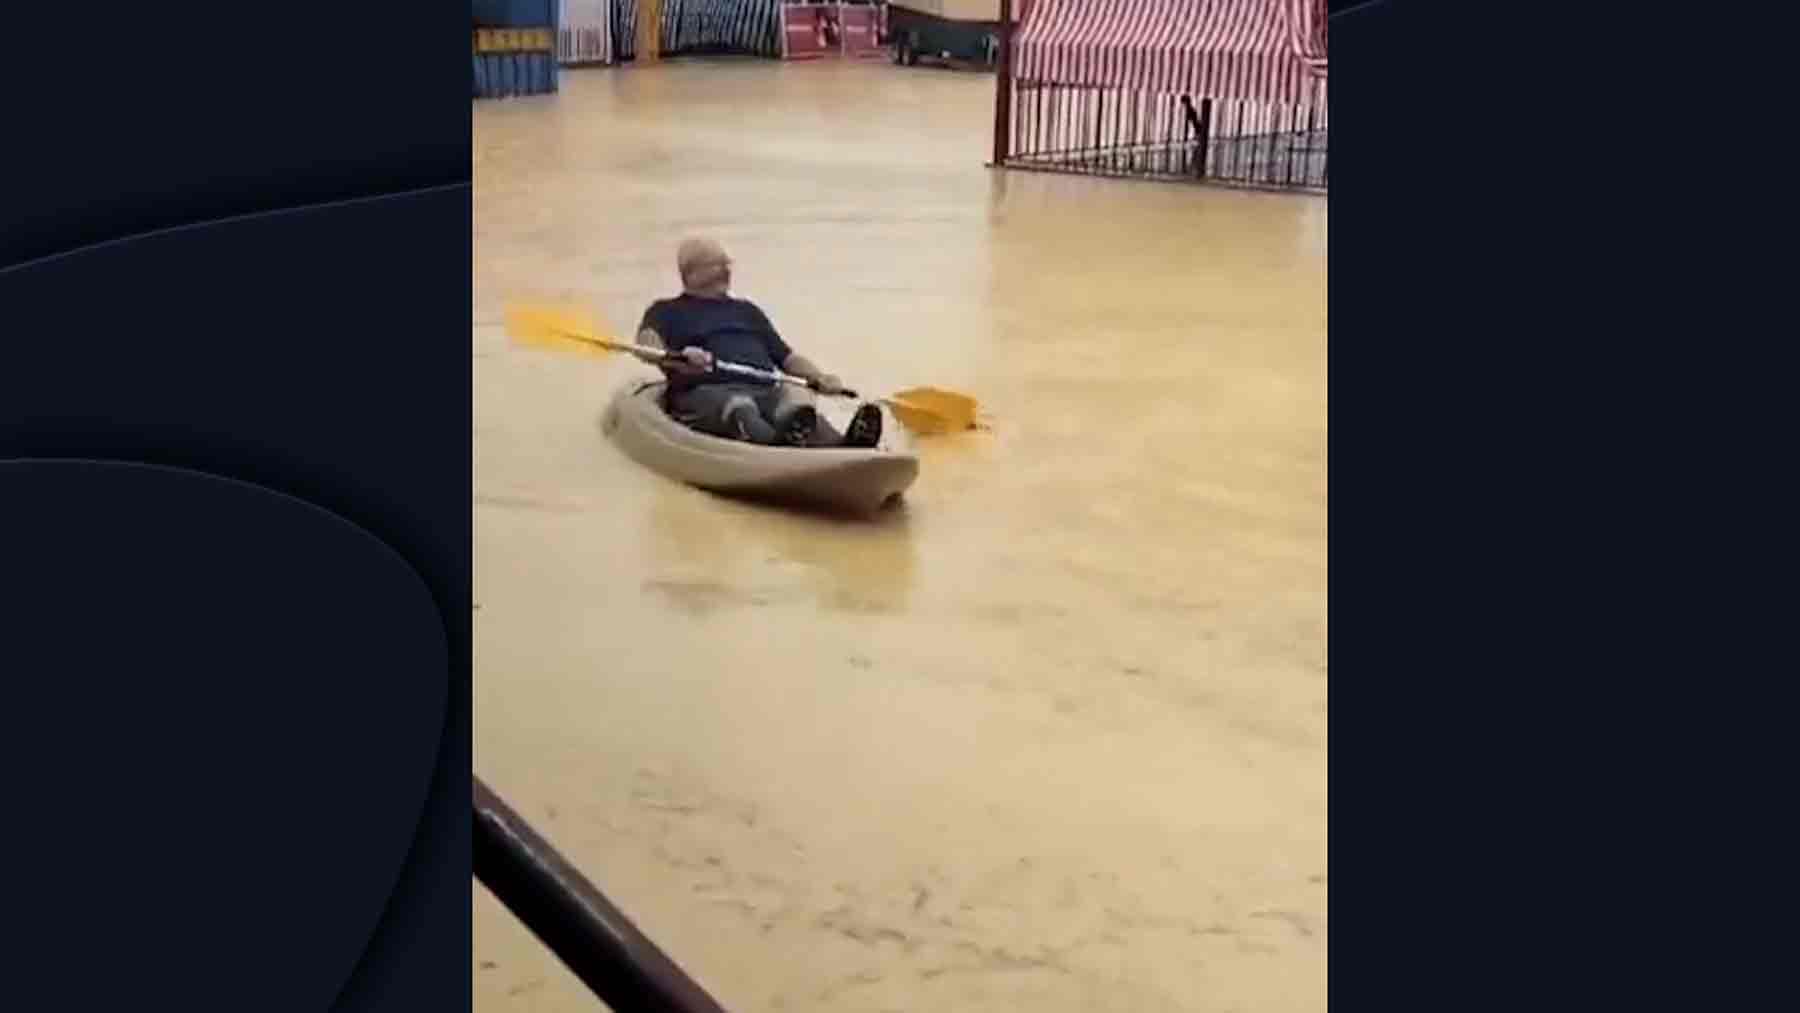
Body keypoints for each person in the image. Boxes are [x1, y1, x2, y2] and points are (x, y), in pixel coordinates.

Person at [636, 238, 883, 448]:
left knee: (797, 400)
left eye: (727, 264)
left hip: (765, 389)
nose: (726, 271)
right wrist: (678, 356)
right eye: (717, 265)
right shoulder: (665, 311)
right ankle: (777, 449)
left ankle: (846, 447)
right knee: (740, 406)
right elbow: (647, 346)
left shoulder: (746, 311)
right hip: (707, 394)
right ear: (691, 273)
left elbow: (786, 357)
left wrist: (819, 376)